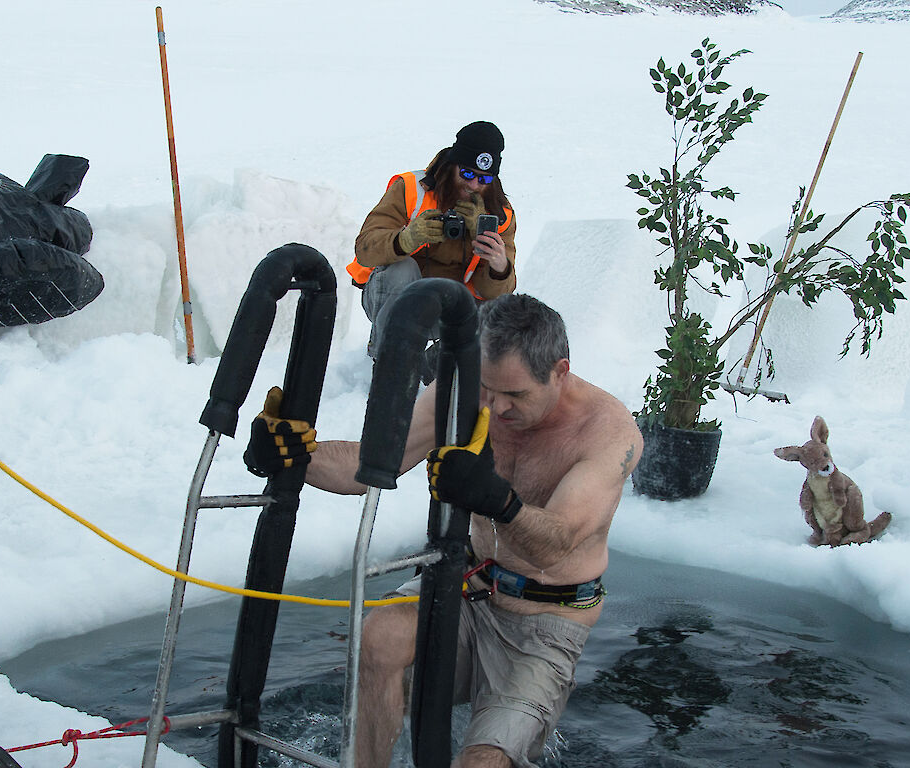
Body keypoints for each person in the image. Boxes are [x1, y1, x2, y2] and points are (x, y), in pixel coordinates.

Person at [246, 295, 641, 768]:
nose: (495, 407)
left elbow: (556, 544)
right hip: (466, 585)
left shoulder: (607, 431)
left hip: (545, 619)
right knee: (379, 637)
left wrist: (498, 499)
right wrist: (293, 456)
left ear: (560, 371)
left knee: (482, 763)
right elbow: (369, 465)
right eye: (489, 389)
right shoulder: (467, 389)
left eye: (515, 395)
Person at [350, 121, 519, 359]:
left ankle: (438, 368)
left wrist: (498, 265)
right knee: (401, 268)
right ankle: (387, 362)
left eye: (484, 180)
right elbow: (365, 248)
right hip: (394, 299)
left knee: (502, 314)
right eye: (467, 174)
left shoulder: (499, 215)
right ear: (452, 165)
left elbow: (496, 294)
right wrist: (406, 240)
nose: (473, 186)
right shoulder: (411, 188)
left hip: (453, 309)